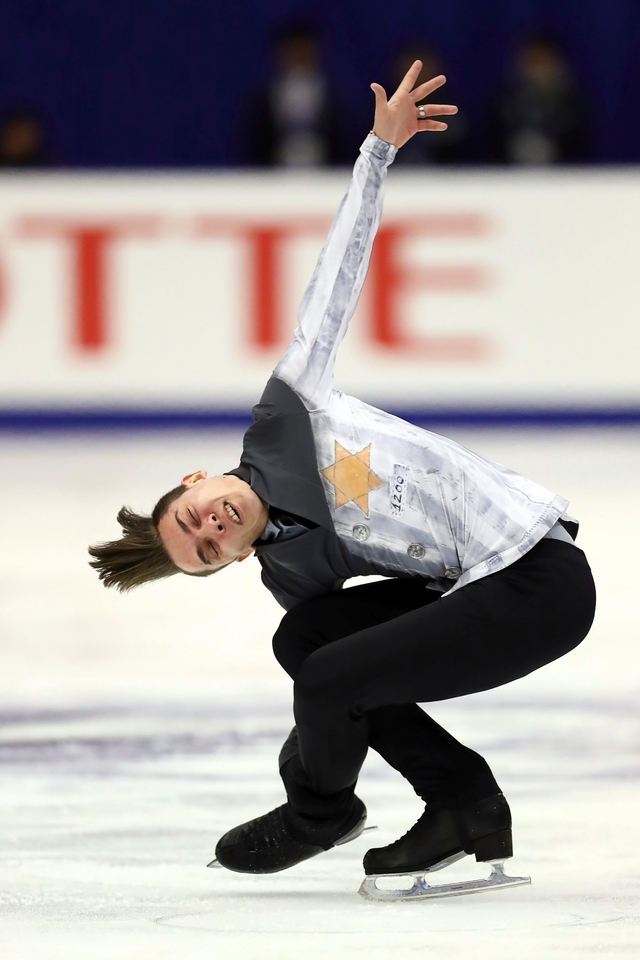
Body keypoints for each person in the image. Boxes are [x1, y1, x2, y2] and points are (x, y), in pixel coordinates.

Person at [89, 63, 596, 901]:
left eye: (194, 517)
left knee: (328, 675)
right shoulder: (289, 573)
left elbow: (335, 280)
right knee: (308, 649)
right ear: (227, 565)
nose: (214, 527)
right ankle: (463, 802)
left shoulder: (291, 410)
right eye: (209, 551)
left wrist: (377, 153)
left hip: (537, 577)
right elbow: (343, 679)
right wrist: (313, 732)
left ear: (193, 478)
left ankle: (320, 815)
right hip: (482, 590)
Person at [241, 19, 346, 168]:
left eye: (304, 50)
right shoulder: (263, 97)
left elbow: (343, 141)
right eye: (294, 51)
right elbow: (253, 143)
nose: (299, 56)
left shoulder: (333, 97)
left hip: (325, 177)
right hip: (272, 178)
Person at [489, 35, 589, 165]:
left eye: (543, 60)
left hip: (562, 177)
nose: (538, 69)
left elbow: (578, 148)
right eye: (533, 61)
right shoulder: (504, 102)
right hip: (508, 177)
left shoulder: (571, 104)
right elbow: (494, 146)